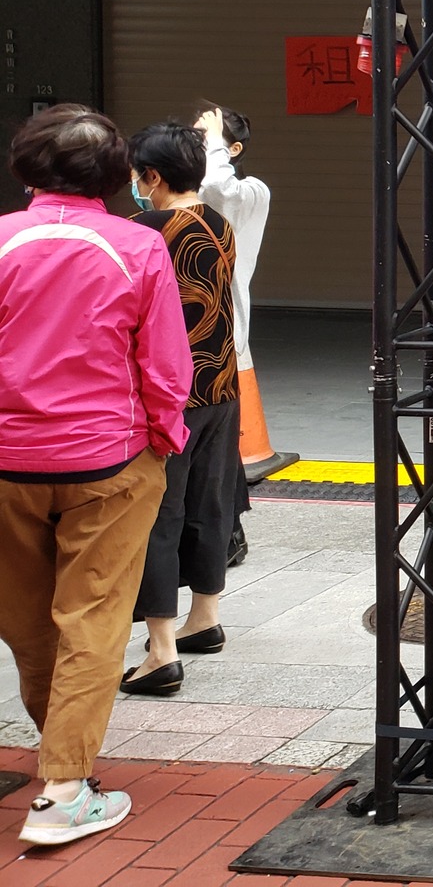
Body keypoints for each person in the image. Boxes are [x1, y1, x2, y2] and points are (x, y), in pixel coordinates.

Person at [0, 106, 192, 847]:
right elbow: (165, 362)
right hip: (111, 458)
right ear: (116, 175)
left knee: (26, 620)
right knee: (94, 617)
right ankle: (63, 787)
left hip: (8, 460)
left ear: (27, 167)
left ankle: (60, 761)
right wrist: (164, 439)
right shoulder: (136, 246)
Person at [121, 122, 241, 698]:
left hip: (170, 393)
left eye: (136, 174)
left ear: (152, 176)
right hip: (221, 386)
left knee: (158, 513)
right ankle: (205, 619)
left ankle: (161, 650)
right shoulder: (218, 220)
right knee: (209, 505)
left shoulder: (146, 230)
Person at [195, 105, 274, 563]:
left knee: (215, 446)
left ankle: (228, 535)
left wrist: (214, 145)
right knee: (208, 447)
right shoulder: (185, 197)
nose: (199, 144)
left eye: (206, 138)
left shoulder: (250, 192)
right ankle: (223, 534)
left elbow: (217, 188)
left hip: (222, 332)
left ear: (233, 149)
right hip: (188, 335)